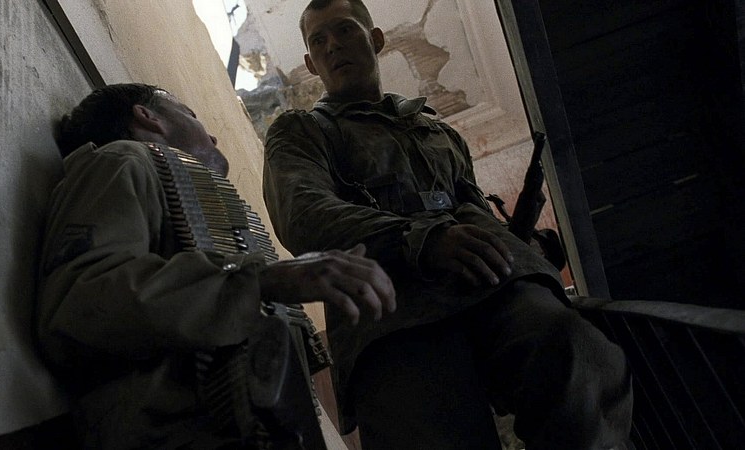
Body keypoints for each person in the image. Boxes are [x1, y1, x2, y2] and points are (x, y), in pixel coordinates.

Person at [261, 1, 634, 449]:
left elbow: (470, 213)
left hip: (494, 290)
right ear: (310, 64)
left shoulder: (439, 132)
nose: (333, 46)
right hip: (391, 316)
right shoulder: (302, 131)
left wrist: (520, 239)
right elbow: (303, 214)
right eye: (318, 40)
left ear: (375, 39)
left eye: (345, 30)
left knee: (575, 354)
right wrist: (422, 239)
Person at [35, 83, 396, 449]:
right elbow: (79, 302)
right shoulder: (120, 160)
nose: (212, 135)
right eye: (191, 115)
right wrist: (260, 282)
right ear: (148, 116)